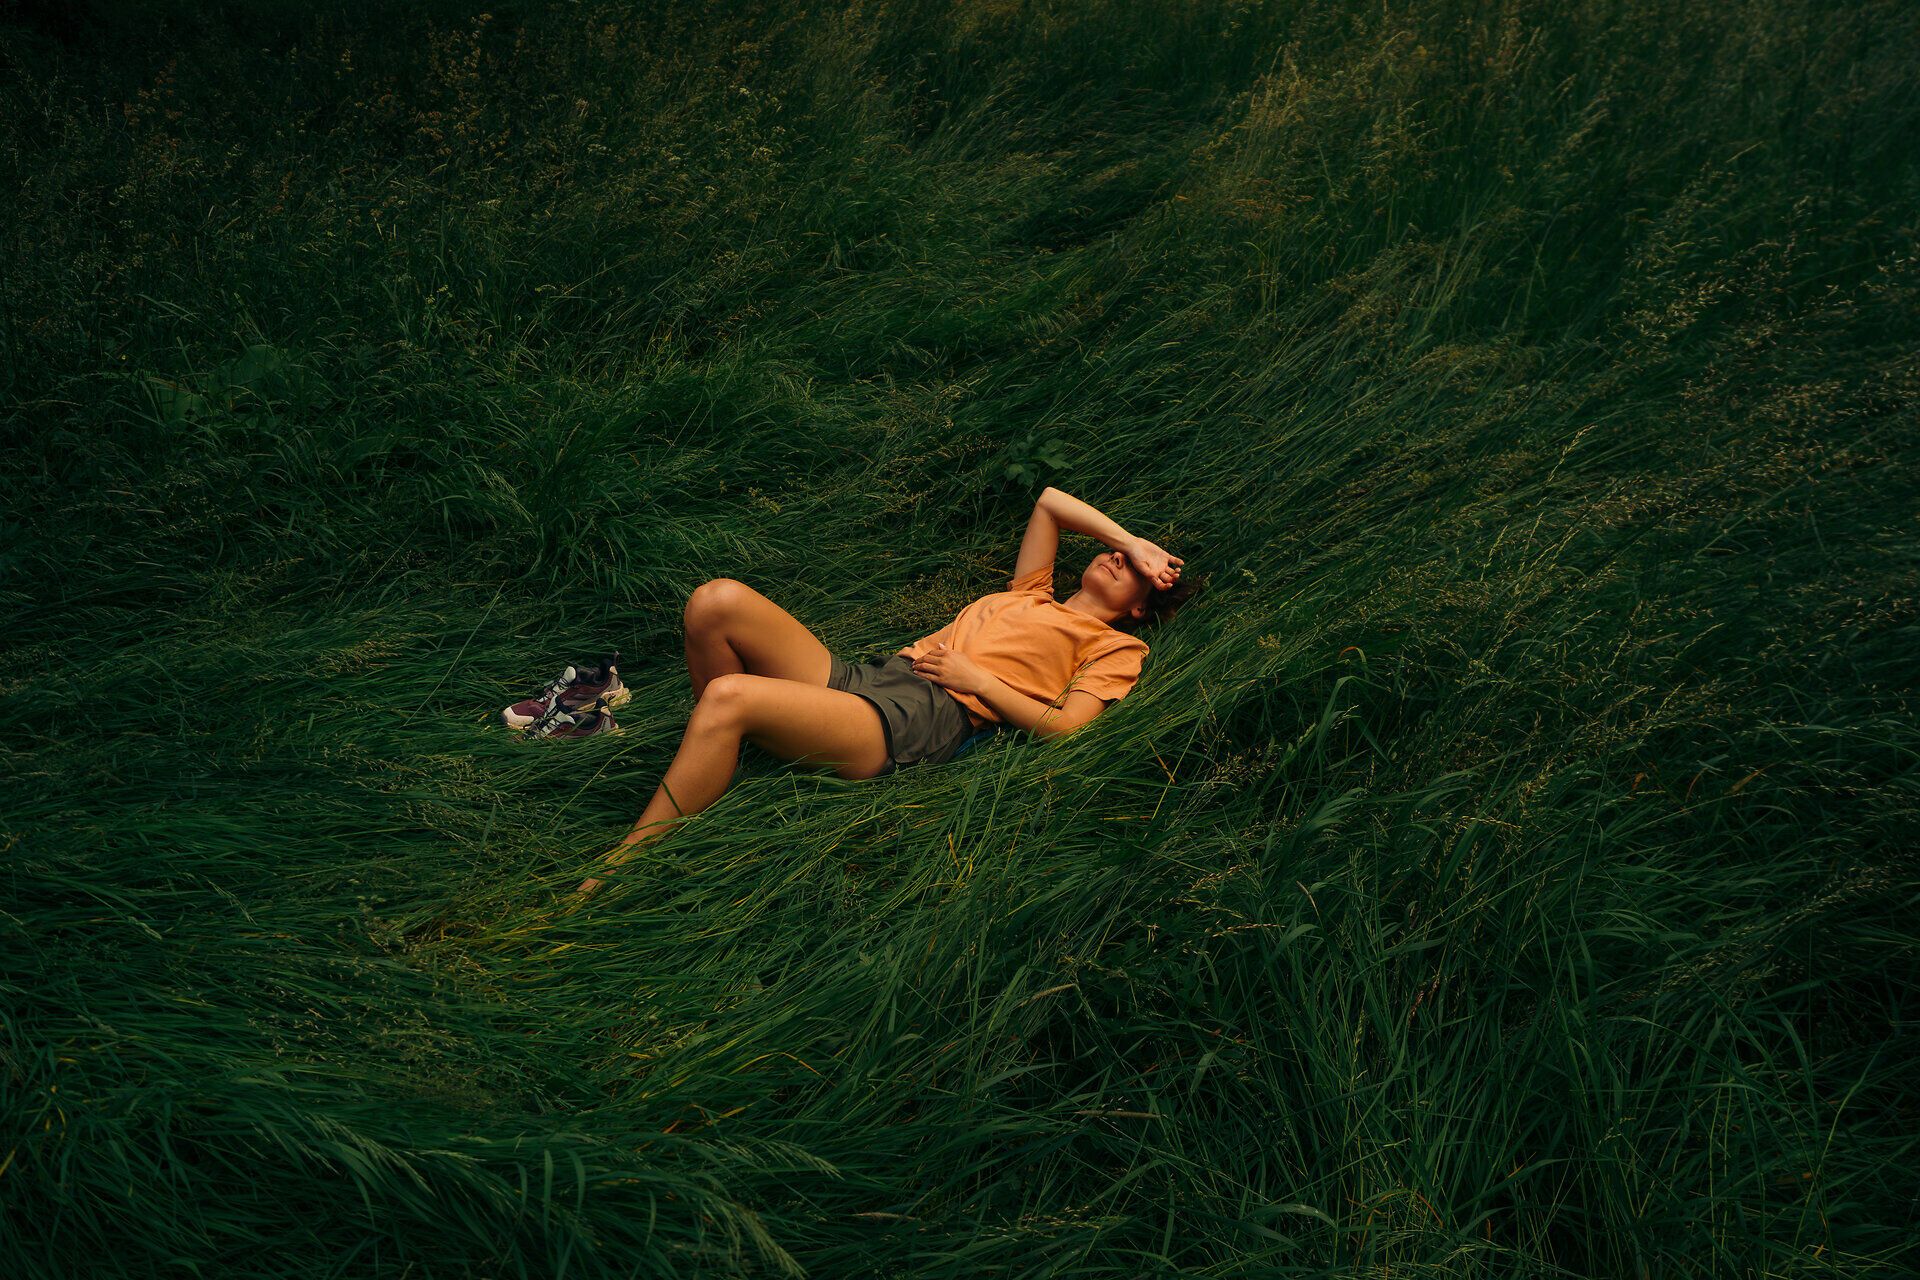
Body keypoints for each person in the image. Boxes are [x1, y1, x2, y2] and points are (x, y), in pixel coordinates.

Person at [571, 486, 1193, 899]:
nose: (1117, 557)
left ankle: (615, 874)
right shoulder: (1031, 594)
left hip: (924, 717)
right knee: (716, 601)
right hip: (877, 677)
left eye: (1136, 568)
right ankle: (716, 756)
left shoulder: (1117, 647)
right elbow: (1050, 503)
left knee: (730, 694)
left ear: (1141, 609)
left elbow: (1070, 726)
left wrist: (981, 682)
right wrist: (1134, 541)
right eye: (1119, 551)